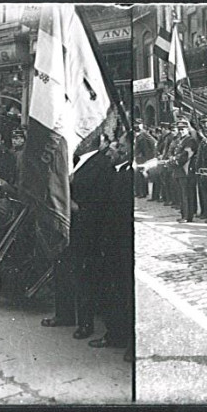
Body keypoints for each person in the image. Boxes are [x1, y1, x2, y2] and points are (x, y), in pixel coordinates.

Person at [41, 135, 115, 340]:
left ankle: (85, 323)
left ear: (87, 141)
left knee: (83, 276)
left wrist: (75, 207)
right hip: (66, 226)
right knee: (62, 268)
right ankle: (64, 314)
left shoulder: (102, 164)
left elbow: (100, 201)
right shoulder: (73, 160)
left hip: (86, 229)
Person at [89, 129, 133, 361]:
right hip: (113, 241)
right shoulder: (117, 171)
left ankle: (127, 342)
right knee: (116, 291)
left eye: (120, 146)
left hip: (122, 244)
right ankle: (117, 335)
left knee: (123, 292)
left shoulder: (128, 175)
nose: (115, 150)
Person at [172, 119, 199, 223]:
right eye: (179, 129)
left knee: (186, 194)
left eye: (183, 129)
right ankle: (184, 214)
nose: (181, 131)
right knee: (182, 194)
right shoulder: (181, 140)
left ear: (187, 129)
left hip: (186, 170)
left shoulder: (190, 140)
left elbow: (187, 155)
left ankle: (187, 216)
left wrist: (175, 160)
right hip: (180, 170)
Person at [133, 119, 156, 199]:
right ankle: (139, 192)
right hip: (138, 157)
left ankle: (142, 192)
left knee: (141, 175)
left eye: (138, 124)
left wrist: (149, 154)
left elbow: (153, 142)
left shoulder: (144, 134)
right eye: (136, 124)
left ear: (142, 125)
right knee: (138, 175)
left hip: (143, 157)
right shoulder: (137, 134)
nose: (137, 125)